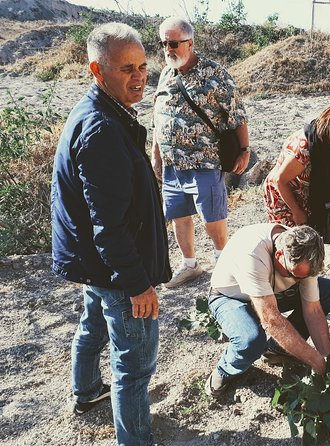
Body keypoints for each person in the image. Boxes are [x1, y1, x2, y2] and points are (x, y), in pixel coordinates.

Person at [51, 23, 171, 445]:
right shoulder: (103, 128)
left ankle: (85, 394)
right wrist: (139, 286)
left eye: (142, 65)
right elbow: (109, 226)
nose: (140, 76)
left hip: (94, 262)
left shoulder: (101, 110)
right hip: (116, 267)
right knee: (134, 369)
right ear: (97, 71)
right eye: (126, 69)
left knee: (92, 327)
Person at [152, 16, 250, 288]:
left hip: (203, 161)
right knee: (178, 214)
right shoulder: (165, 74)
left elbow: (237, 114)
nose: (168, 49)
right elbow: (158, 117)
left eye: (173, 43)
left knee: (212, 215)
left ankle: (223, 263)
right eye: (163, 43)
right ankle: (189, 264)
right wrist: (156, 154)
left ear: (190, 43)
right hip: (173, 163)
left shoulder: (213, 74)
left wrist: (244, 150)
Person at [204, 224, 330, 396]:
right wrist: (316, 361)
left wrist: (328, 358)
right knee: (251, 340)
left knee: (329, 292)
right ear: (279, 255)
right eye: (295, 276)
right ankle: (224, 371)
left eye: (304, 277)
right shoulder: (252, 254)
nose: (299, 281)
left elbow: (312, 310)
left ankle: (276, 350)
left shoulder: (305, 254)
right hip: (231, 297)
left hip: (270, 293)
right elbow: (272, 321)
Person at [263, 101, 330, 230]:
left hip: (305, 194)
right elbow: (279, 180)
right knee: (291, 242)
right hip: (284, 197)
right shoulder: (305, 149)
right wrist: (297, 211)